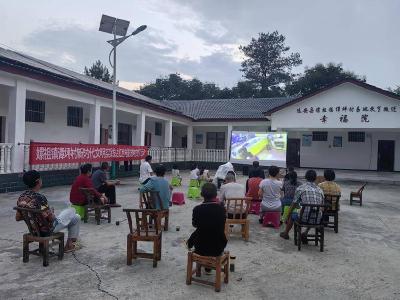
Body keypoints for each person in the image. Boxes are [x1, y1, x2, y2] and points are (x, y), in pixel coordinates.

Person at [16, 170, 81, 252]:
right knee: (75, 216)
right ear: (38, 181)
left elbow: (17, 218)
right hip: (47, 230)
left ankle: (70, 244)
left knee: (72, 215)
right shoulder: (40, 198)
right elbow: (51, 219)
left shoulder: (21, 197)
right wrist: (51, 213)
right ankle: (69, 245)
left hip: (34, 230)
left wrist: (30, 215)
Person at [280, 169, 325, 240]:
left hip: (303, 218)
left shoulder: (301, 188)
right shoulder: (320, 190)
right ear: (315, 178)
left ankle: (286, 233)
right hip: (317, 219)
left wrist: (287, 216)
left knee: (293, 214)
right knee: (313, 211)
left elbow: (294, 204)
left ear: (305, 177)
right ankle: (305, 233)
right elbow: (322, 208)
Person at [187, 183, 227, 257]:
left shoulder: (197, 209)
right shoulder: (222, 209)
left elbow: (195, 224)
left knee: (200, 230)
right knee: (212, 230)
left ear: (202, 194)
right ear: (216, 194)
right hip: (218, 247)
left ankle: (199, 264)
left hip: (200, 248)